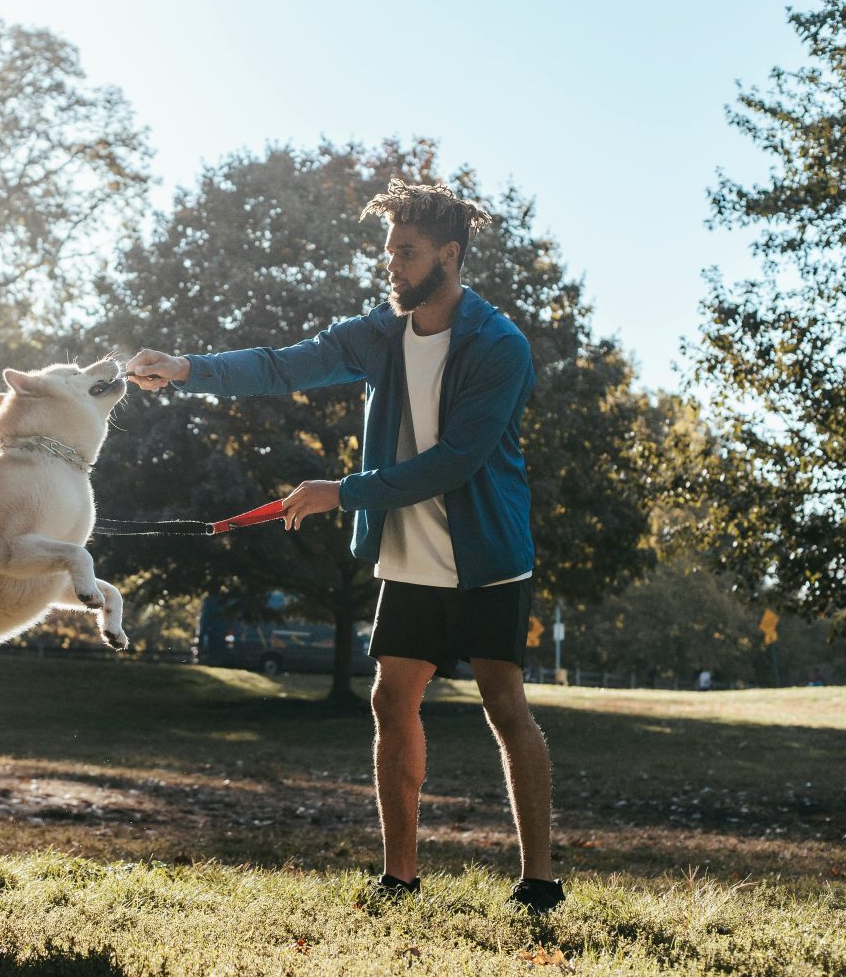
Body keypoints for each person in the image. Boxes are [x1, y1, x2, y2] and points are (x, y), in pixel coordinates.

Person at [124, 178, 564, 914]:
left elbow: (455, 459)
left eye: (408, 252)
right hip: (411, 561)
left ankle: (540, 879)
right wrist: (187, 369)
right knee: (392, 702)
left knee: (504, 706)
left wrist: (342, 490)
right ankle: (399, 876)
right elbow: (281, 364)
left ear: (449, 256)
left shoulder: (499, 346)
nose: (392, 266)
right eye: (389, 252)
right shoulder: (378, 334)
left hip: (487, 558)